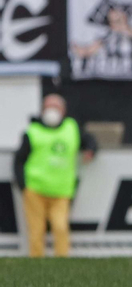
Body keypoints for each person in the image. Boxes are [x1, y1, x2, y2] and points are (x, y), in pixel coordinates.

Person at [11, 95, 96, 258]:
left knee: (60, 227)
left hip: (61, 191)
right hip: (35, 191)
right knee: (36, 231)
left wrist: (91, 149)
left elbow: (89, 140)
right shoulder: (33, 132)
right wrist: (24, 186)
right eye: (49, 107)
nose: (52, 111)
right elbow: (19, 160)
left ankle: (61, 264)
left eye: (56, 107)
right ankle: (36, 266)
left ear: (63, 110)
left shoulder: (72, 128)